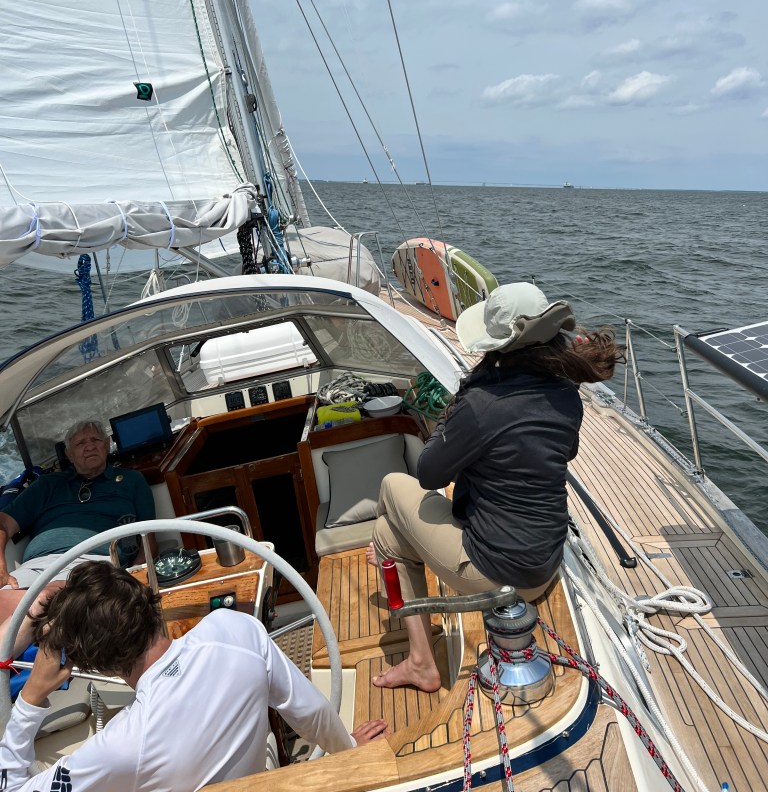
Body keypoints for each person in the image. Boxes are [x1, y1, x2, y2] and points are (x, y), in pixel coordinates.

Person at [369, 282, 624, 692]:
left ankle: (418, 655)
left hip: (497, 573)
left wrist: (453, 416)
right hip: (544, 561)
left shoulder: (480, 403)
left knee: (390, 485)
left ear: (496, 347)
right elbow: (559, 451)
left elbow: (430, 476)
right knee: (388, 533)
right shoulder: (566, 394)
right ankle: (393, 560)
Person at [0, 561, 389, 791]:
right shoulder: (234, 629)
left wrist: (31, 698)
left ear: (99, 664)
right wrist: (350, 749)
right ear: (148, 600)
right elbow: (311, 713)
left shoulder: (121, 747)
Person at [0, 419, 156, 652]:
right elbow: (3, 522)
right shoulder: (47, 485)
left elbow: (148, 536)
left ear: (107, 445)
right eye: (80, 443)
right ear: (69, 454)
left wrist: (134, 576)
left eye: (95, 440)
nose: (89, 446)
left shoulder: (132, 481)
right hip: (36, 564)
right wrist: (1, 565)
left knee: (48, 597)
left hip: (94, 563)